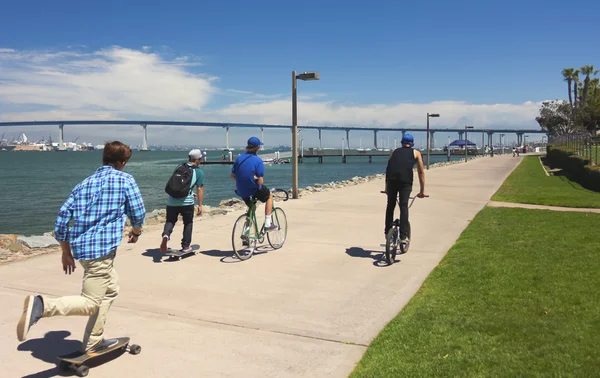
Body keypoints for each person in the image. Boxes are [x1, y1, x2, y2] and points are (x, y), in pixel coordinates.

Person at [16, 141, 146, 354]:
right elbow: (138, 211)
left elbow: (61, 222)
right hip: (101, 251)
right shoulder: (125, 179)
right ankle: (42, 306)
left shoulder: (84, 184)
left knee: (111, 288)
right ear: (122, 162)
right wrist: (136, 231)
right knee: (91, 302)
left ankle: (93, 340)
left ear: (103, 158)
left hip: (82, 251)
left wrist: (65, 253)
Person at [384, 134, 426, 243]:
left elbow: (389, 169)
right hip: (405, 182)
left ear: (401, 142)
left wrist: (386, 188)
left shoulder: (394, 151)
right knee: (403, 206)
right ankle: (403, 236)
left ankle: (387, 231)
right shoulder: (416, 153)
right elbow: (421, 172)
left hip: (391, 181)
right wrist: (422, 191)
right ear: (412, 143)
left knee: (390, 205)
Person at [160, 149, 204, 253]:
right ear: (197, 159)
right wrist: (200, 205)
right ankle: (186, 246)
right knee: (188, 223)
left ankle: (166, 235)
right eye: (200, 159)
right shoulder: (199, 172)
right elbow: (200, 189)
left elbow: (178, 184)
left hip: (172, 201)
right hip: (187, 203)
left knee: (170, 221)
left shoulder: (179, 167)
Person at [230, 137, 277, 231]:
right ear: (258, 147)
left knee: (252, 207)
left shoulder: (239, 159)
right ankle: (268, 224)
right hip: (254, 189)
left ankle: (245, 232)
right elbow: (260, 182)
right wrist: (253, 179)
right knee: (269, 195)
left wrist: (244, 180)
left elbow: (232, 176)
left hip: (241, 190)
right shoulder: (258, 161)